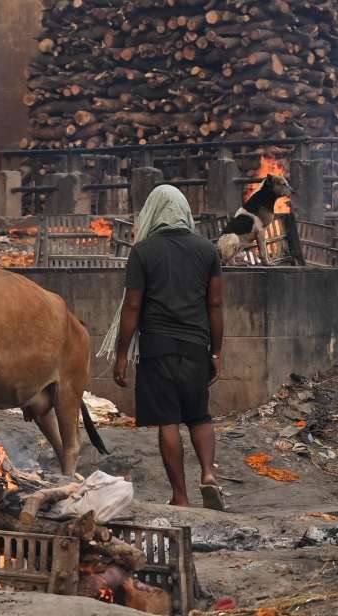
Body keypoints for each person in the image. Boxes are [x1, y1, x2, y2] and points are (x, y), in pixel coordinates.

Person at [106, 185, 225, 511]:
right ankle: (208, 475)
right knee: (200, 416)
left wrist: (120, 356)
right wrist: (216, 353)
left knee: (168, 421)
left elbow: (132, 306)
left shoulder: (143, 252)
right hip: (196, 346)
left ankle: (181, 497)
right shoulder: (206, 251)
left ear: (153, 213)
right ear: (184, 212)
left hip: (158, 348)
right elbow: (215, 305)